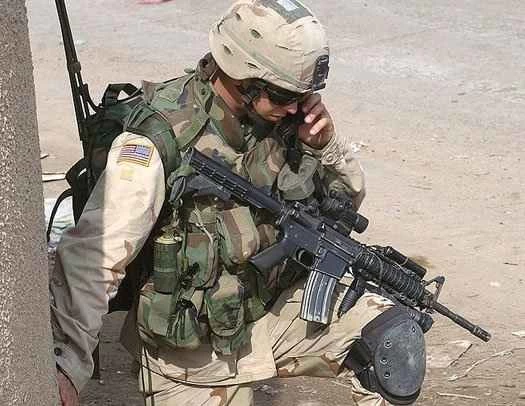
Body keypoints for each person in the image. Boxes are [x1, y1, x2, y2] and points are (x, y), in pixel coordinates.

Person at [51, 1, 427, 405]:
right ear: (241, 75)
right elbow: (94, 258)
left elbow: (346, 209)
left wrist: (327, 147)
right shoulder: (159, 141)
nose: (296, 107)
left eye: (304, 96)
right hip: (192, 358)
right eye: (284, 95)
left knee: (395, 342)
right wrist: (68, 367)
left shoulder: (287, 121)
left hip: (271, 311)